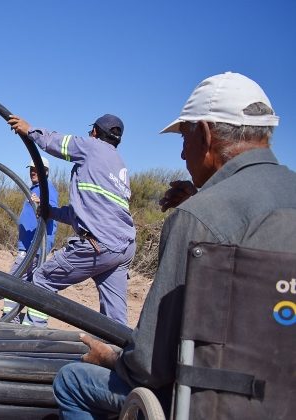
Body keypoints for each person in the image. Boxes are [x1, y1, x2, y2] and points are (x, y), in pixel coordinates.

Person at [52, 72, 296, 419]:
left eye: (184, 136)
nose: (182, 154)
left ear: (205, 134)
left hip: (210, 407)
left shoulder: (197, 218)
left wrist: (111, 358)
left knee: (72, 380)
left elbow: (150, 365)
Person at [7, 114, 136, 326]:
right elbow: (86, 213)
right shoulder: (118, 165)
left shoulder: (92, 147)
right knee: (115, 319)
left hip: (99, 244)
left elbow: (57, 142)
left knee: (42, 280)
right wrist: (52, 212)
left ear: (94, 132)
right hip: (124, 249)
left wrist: (29, 130)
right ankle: (117, 353)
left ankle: (32, 336)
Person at [2, 156, 59, 325]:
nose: (33, 172)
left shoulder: (47, 188)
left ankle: (11, 320)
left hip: (34, 247)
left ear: (45, 172)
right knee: (29, 283)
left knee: (13, 281)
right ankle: (25, 320)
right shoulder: (35, 188)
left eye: (37, 169)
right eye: (31, 169)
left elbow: (52, 210)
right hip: (28, 246)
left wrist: (41, 201)